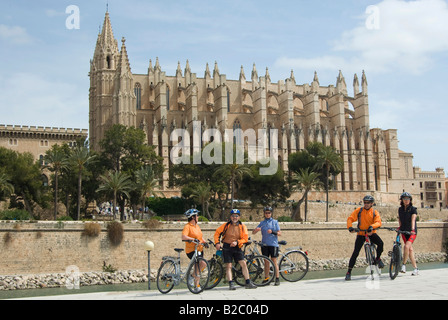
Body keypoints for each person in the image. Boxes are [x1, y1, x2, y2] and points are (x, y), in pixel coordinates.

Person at [214, 209, 257, 290]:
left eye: (236, 216)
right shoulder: (225, 225)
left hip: (237, 247)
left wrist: (237, 242)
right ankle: (231, 283)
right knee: (228, 266)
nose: (235, 217)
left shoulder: (242, 226)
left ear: (239, 217)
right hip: (227, 247)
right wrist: (217, 243)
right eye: (233, 216)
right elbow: (217, 233)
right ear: (230, 217)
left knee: (243, 263)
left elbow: (245, 238)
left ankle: (248, 282)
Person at [345, 195, 383, 280]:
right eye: (365, 202)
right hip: (361, 233)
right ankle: (349, 272)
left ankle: (378, 258)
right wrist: (350, 227)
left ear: (372, 204)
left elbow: (378, 222)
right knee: (355, 253)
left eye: (368, 203)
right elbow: (350, 218)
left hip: (371, 233)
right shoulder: (359, 211)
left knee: (381, 244)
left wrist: (372, 226)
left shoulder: (374, 212)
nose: (366, 204)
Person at [253, 206, 281, 286]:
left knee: (274, 261)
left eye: (269, 213)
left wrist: (272, 232)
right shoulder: (262, 223)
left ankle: (277, 278)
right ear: (264, 214)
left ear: (271, 213)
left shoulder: (275, 222)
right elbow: (253, 232)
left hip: (273, 244)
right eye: (266, 213)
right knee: (266, 262)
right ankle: (267, 278)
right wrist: (256, 230)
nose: (267, 214)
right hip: (265, 245)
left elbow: (279, 233)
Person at [398, 192, 419, 275]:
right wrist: (399, 227)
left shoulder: (413, 209)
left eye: (408, 199)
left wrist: (412, 229)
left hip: (411, 232)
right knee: (410, 250)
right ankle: (416, 268)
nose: (406, 200)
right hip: (403, 231)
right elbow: (400, 219)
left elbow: (413, 220)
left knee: (406, 246)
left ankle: (403, 265)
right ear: (402, 200)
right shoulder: (400, 209)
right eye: (404, 199)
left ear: (410, 200)